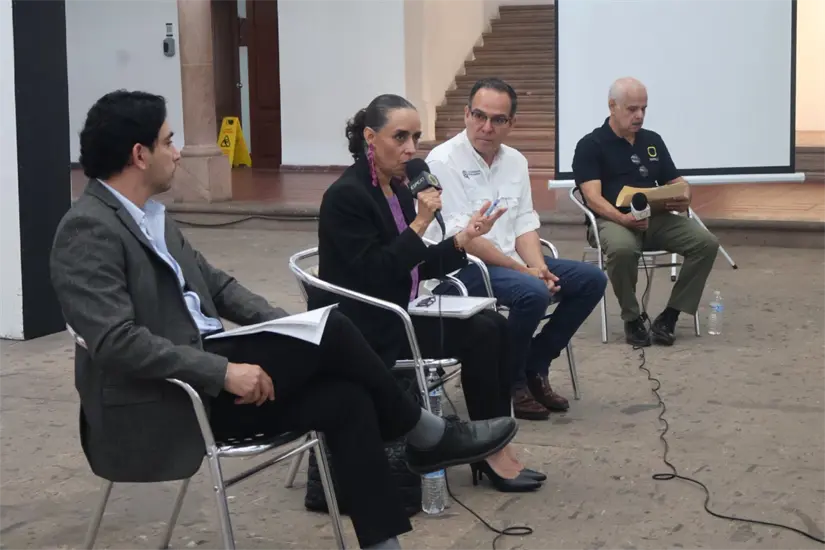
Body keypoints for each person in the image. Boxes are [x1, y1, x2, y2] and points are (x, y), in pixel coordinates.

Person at [49, 90, 519, 550]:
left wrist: (290, 331)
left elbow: (220, 288)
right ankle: (425, 433)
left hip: (215, 371)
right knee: (335, 328)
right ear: (138, 154)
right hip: (173, 397)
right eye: (169, 141)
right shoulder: (89, 229)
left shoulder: (153, 216)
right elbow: (116, 341)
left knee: (347, 397)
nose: (177, 153)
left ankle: (385, 540)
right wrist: (224, 371)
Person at [314, 93, 544, 492]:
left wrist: (464, 238)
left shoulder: (398, 189)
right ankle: (486, 452)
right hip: (366, 327)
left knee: (491, 325)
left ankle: (491, 444)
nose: (409, 149)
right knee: (483, 333)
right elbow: (377, 274)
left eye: (416, 138)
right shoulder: (346, 197)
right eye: (399, 137)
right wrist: (420, 223)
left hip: (400, 311)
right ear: (370, 136)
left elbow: (419, 264)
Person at [423, 78, 607, 421]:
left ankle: (534, 364)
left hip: (513, 263)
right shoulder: (442, 161)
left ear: (512, 123)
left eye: (498, 119)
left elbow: (524, 223)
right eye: (479, 115)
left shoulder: (516, 162)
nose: (486, 127)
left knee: (591, 279)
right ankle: (510, 380)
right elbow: (469, 238)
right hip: (462, 268)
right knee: (533, 293)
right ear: (465, 114)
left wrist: (539, 267)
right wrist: (528, 273)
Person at [571, 77, 719, 347]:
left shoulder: (652, 141)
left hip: (653, 217)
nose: (639, 115)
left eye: (643, 109)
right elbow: (592, 198)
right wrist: (622, 218)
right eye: (632, 109)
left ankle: (670, 316)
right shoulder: (591, 145)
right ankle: (632, 318)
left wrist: (684, 196)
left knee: (706, 243)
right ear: (612, 106)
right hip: (611, 220)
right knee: (623, 249)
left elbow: (677, 182)